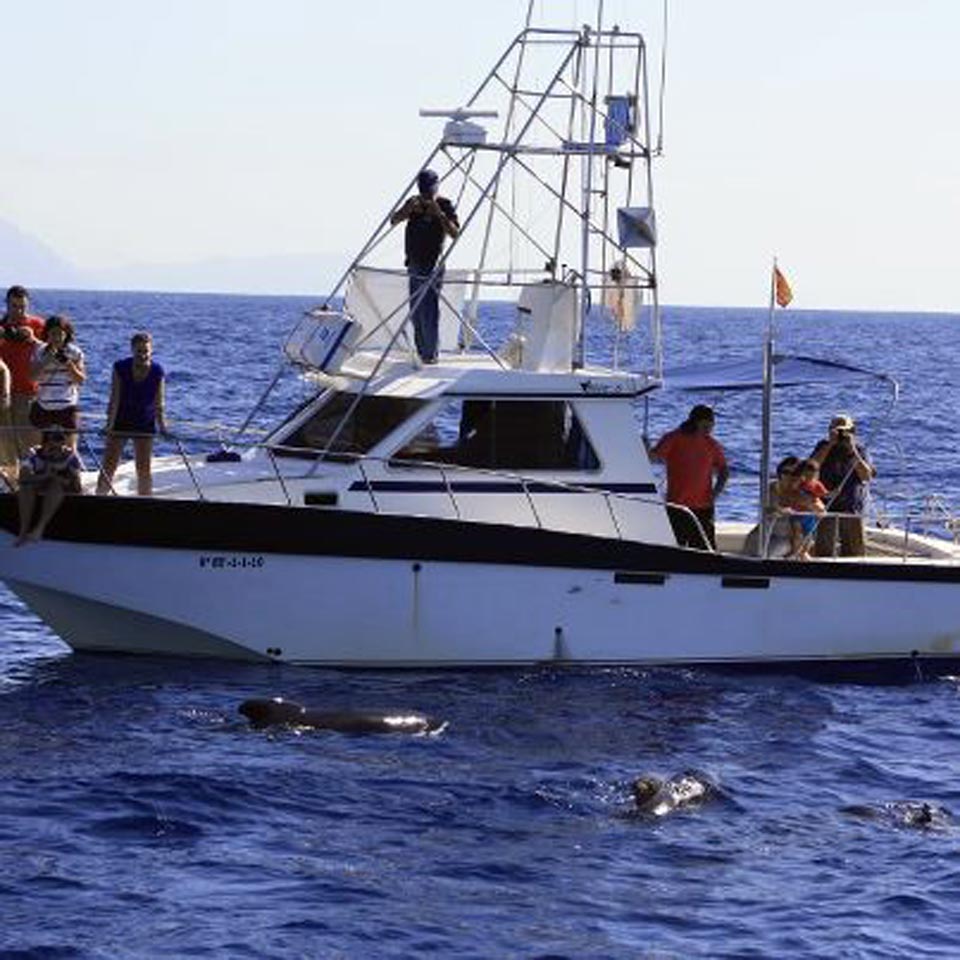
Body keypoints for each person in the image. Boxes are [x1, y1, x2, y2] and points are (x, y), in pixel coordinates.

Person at [389, 168, 460, 364]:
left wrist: (439, 214)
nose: (425, 195)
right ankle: (422, 352)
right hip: (414, 262)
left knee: (429, 310)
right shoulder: (414, 202)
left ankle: (430, 354)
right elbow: (393, 220)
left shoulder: (444, 205)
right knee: (416, 310)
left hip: (432, 263)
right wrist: (408, 210)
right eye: (423, 190)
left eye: (428, 190)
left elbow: (455, 233)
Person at [96, 332, 168, 496]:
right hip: (121, 420)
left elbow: (159, 403)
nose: (142, 355)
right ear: (132, 350)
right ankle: (99, 496)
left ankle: (145, 499)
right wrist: (109, 426)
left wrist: (163, 427)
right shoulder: (120, 367)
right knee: (109, 464)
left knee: (143, 468)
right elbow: (114, 399)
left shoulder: (157, 371)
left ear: (151, 351)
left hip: (144, 422)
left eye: (146, 351)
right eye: (139, 351)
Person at [650, 404, 729, 549]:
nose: (711, 429)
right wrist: (644, 446)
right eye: (708, 424)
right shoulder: (674, 437)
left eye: (712, 425)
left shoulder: (711, 444)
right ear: (698, 422)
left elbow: (724, 470)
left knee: (705, 549)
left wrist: (716, 492)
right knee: (676, 547)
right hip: (677, 505)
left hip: (704, 507)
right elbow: (654, 457)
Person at [810, 413, 876, 557]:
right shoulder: (822, 447)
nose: (841, 435)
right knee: (824, 548)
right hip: (827, 505)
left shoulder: (859, 450)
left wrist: (852, 451)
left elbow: (866, 476)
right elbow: (811, 468)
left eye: (844, 431)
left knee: (854, 550)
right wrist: (830, 445)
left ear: (852, 432)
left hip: (852, 507)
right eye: (836, 430)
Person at [0, 285, 45, 469]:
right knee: (4, 444)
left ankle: (31, 483)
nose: (18, 311)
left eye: (22, 307)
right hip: (2, 393)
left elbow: (55, 352)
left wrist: (34, 338)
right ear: (6, 305)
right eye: (14, 306)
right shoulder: (1, 327)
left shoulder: (37, 325)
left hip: (27, 393)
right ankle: (11, 486)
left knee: (30, 444)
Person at [14, 428, 82, 545]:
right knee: (26, 487)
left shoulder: (70, 457)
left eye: (59, 449)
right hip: (41, 481)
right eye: (52, 448)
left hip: (60, 486)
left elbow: (76, 486)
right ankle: (23, 530)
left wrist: (58, 476)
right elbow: (22, 478)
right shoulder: (33, 455)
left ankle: (40, 527)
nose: (56, 453)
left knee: (56, 485)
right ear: (43, 445)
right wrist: (46, 475)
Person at [29, 315, 85, 446]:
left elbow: (81, 380)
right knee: (40, 448)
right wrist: (46, 361)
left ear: (66, 335)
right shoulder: (39, 351)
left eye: (60, 334)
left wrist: (68, 364)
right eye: (53, 334)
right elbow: (32, 377)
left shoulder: (75, 352)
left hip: (67, 406)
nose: (57, 338)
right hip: (44, 406)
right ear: (47, 334)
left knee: (69, 449)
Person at [787, 458, 828, 559]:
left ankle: (804, 552)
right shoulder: (799, 483)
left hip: (810, 515)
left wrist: (834, 492)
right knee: (797, 533)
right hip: (798, 513)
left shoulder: (817, 484)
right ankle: (795, 552)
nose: (809, 478)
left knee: (810, 537)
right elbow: (792, 490)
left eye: (812, 475)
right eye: (807, 475)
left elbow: (825, 495)